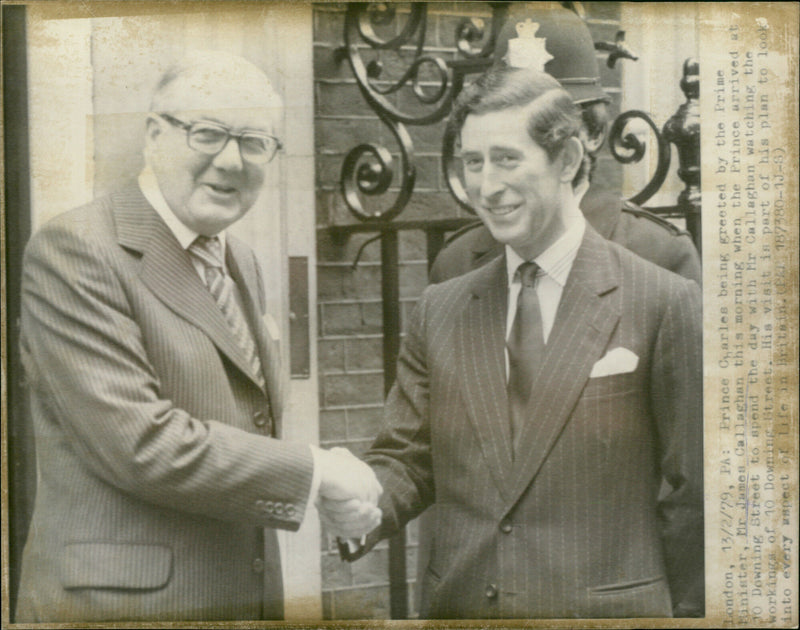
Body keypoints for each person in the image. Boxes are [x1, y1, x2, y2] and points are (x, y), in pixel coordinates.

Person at [15, 51, 381, 622]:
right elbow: (140, 443)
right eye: (208, 133)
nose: (231, 161)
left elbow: (243, 425)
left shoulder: (242, 262)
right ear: (155, 136)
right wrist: (314, 472)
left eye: (255, 142)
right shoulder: (77, 249)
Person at [337, 67, 704, 619]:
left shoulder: (662, 300)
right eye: (473, 163)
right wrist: (357, 504)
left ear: (568, 161)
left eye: (508, 159)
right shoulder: (442, 306)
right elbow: (407, 459)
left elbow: (691, 494)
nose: (487, 186)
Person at [429, 5, 701, 286]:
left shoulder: (657, 254)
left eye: (550, 129)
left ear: (593, 134)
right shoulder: (458, 262)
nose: (490, 186)